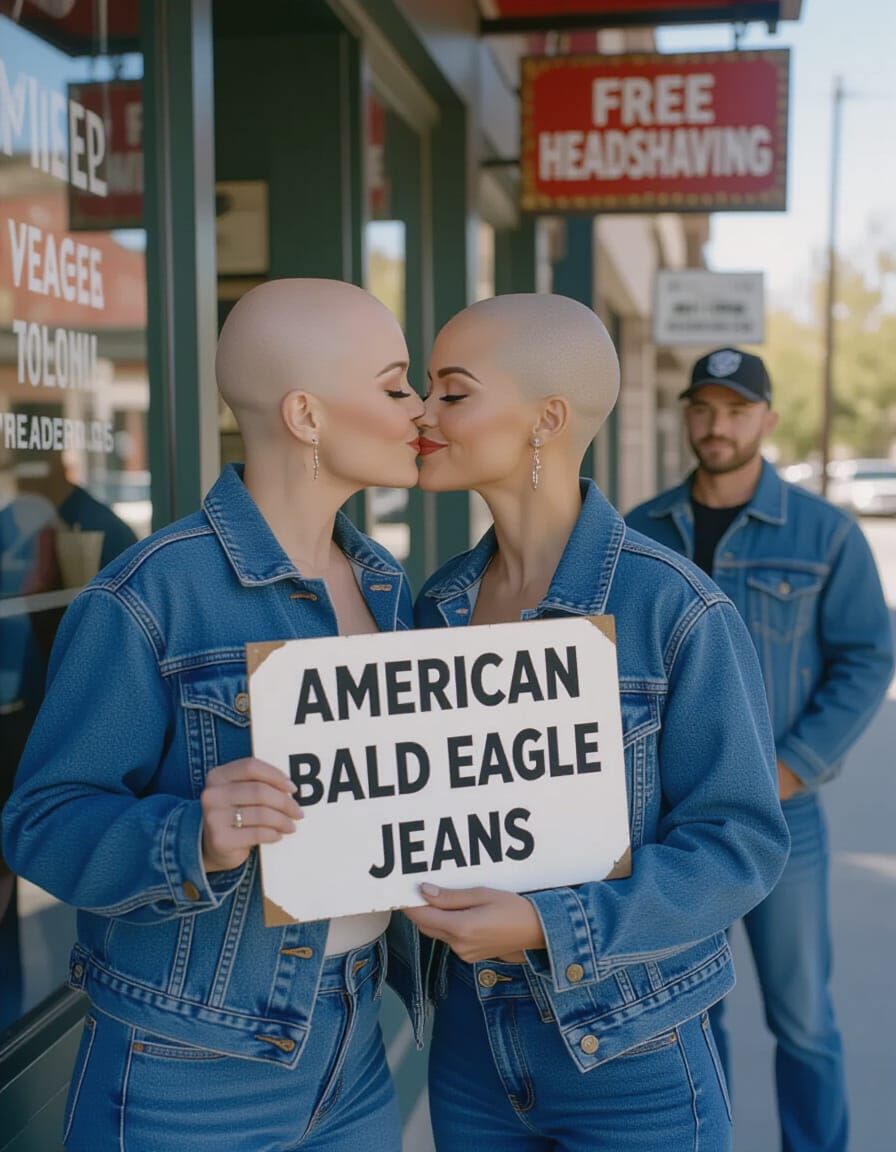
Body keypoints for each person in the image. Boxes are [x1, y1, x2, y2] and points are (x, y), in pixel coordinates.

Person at [3, 278, 426, 1151]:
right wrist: (193, 836)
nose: (419, 407)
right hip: (185, 1061)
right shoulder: (147, 595)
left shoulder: (386, 584)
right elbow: (41, 823)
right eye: (395, 387)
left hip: (354, 1041)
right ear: (306, 416)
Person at [401, 294, 790, 1152]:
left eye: (452, 392)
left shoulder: (675, 608)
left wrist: (550, 925)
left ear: (548, 419)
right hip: (469, 1050)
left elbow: (741, 846)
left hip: (629, 1051)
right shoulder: (436, 605)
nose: (422, 414)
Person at [626, 346, 894, 1152]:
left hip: (781, 817)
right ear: (686, 416)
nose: (718, 426)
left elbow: (867, 657)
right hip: (669, 824)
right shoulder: (640, 531)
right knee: (688, 1010)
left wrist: (792, 767)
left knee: (802, 1016)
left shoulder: (824, 534)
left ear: (767, 420)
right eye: (704, 409)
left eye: (737, 411)